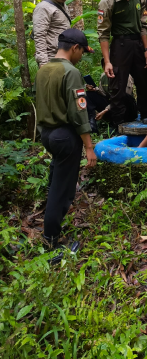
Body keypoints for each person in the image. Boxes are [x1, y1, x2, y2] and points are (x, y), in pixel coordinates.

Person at [34, 29, 97, 250]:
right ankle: (51, 240)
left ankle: (49, 221)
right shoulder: (71, 72)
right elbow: (78, 113)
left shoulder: (44, 70)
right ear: (74, 48)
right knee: (62, 190)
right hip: (65, 137)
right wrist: (89, 147)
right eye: (82, 52)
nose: (81, 57)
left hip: (47, 134)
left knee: (56, 178)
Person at [97, 0, 147, 126]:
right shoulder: (107, 2)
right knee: (118, 85)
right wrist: (107, 61)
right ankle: (118, 121)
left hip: (138, 44)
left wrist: (146, 49)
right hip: (120, 45)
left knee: (143, 80)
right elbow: (103, 33)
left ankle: (145, 113)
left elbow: (143, 25)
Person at [32, 0, 71, 67]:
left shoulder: (63, 5)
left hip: (62, 56)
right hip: (50, 59)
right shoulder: (43, 7)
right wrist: (43, 63)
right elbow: (39, 36)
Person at [86, 62, 137, 132]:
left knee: (125, 97)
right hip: (112, 107)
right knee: (89, 94)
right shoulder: (104, 76)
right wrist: (95, 90)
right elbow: (103, 94)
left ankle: (118, 124)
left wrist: (106, 110)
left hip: (126, 110)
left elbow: (124, 97)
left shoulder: (126, 76)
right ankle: (92, 122)